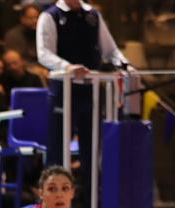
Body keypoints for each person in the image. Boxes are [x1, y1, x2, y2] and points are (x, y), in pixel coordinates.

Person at [36, 0, 131, 171]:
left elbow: (110, 50)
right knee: (58, 147)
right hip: (63, 89)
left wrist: (124, 64)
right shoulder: (50, 16)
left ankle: (91, 188)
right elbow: (44, 53)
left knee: (92, 148)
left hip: (91, 89)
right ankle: (55, 187)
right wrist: (66, 67)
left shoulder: (93, 15)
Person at [4, 4, 43, 70]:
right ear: (22, 19)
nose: (35, 21)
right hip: (23, 69)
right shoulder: (13, 35)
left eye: (37, 18)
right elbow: (13, 61)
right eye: (31, 18)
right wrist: (34, 69)